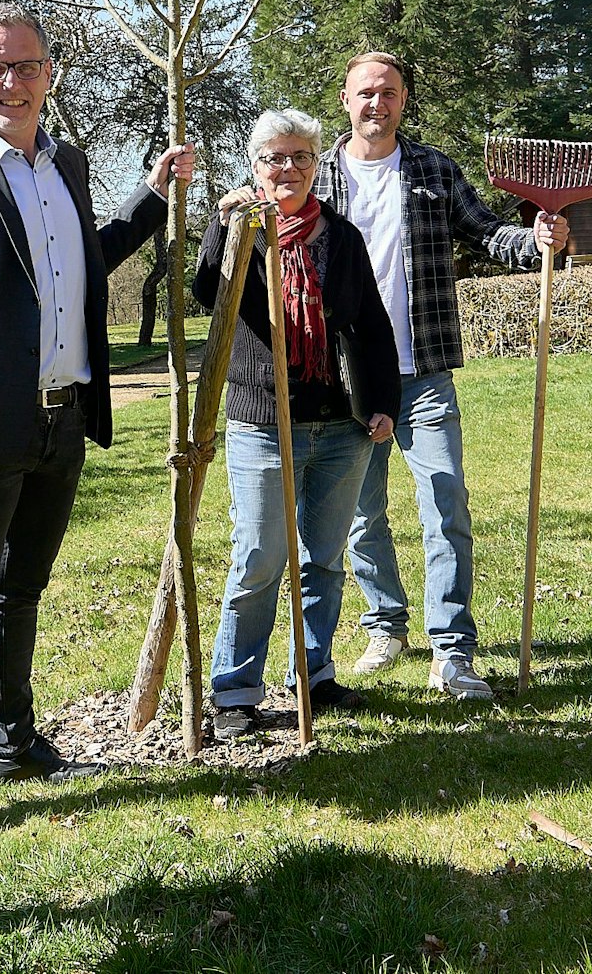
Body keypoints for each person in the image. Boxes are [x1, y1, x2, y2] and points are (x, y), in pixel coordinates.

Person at [0, 3, 194, 851]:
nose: (11, 82)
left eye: (25, 66)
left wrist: (152, 195)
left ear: (49, 74)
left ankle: (14, 742)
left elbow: (80, 258)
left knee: (19, 589)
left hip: (63, 418)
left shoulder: (67, 161)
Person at [310, 51, 569, 702]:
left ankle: (452, 650)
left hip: (422, 374)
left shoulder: (431, 170)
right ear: (346, 99)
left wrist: (535, 239)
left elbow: (485, 232)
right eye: (366, 92)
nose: (378, 102)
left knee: (445, 505)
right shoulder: (318, 180)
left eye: (390, 92)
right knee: (360, 516)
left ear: (403, 100)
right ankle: (386, 625)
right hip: (347, 381)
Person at [198, 108, 399, 741]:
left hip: (339, 425)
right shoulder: (243, 230)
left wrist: (382, 403)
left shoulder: (340, 236)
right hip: (263, 420)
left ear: (317, 165)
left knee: (324, 558)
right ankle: (234, 690)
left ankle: (311, 674)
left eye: (301, 158)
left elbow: (369, 324)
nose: (288, 169)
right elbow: (209, 291)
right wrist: (221, 228)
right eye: (274, 158)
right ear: (255, 166)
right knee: (260, 554)